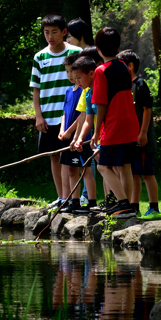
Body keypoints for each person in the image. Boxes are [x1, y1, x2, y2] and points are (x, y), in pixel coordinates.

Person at [31, 13, 82, 208]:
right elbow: (36, 89)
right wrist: (38, 116)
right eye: (46, 32)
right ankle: (62, 197)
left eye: (54, 32)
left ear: (64, 32)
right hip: (49, 115)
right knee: (54, 156)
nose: (50, 36)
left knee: (74, 158)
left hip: (73, 114)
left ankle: (76, 197)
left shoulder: (76, 52)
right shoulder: (40, 57)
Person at [88, 27, 138, 217]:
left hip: (114, 125)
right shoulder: (125, 67)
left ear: (98, 49)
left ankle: (122, 203)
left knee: (103, 166)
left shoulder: (101, 70)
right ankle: (130, 206)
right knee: (124, 166)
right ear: (118, 48)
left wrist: (96, 131)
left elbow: (101, 103)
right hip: (130, 123)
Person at [117, 50, 161, 219]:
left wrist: (143, 133)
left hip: (142, 139)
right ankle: (134, 207)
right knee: (134, 173)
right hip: (129, 139)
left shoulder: (140, 85)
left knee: (146, 173)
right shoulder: (123, 87)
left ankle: (154, 207)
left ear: (129, 66)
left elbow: (147, 110)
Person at [57, 54, 87, 212]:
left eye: (72, 71)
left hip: (76, 137)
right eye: (67, 72)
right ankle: (71, 201)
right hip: (66, 137)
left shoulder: (82, 91)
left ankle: (85, 200)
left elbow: (81, 116)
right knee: (69, 169)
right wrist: (62, 131)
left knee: (81, 169)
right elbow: (64, 113)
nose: (70, 75)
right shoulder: (69, 91)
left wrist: (70, 132)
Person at [69, 55, 99, 212]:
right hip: (98, 137)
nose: (77, 82)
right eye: (74, 78)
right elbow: (88, 119)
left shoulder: (101, 90)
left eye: (79, 78)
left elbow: (102, 116)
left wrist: (97, 134)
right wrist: (79, 139)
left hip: (107, 135)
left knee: (109, 168)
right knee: (104, 168)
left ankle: (119, 203)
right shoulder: (88, 93)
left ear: (92, 74)